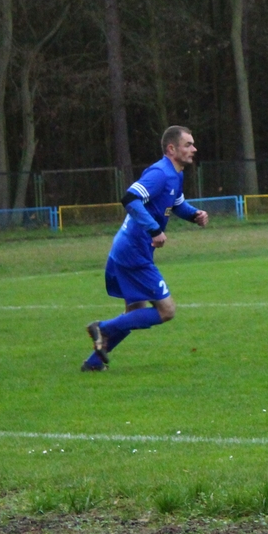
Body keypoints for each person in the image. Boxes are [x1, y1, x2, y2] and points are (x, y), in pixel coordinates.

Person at [82, 126, 209, 371]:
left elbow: (177, 204)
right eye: (188, 145)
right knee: (167, 310)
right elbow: (130, 198)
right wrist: (154, 229)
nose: (193, 149)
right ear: (171, 149)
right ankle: (103, 328)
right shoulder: (160, 173)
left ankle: (94, 362)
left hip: (127, 248)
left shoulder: (176, 174)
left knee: (134, 312)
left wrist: (194, 215)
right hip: (134, 250)